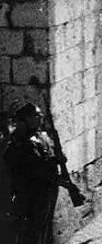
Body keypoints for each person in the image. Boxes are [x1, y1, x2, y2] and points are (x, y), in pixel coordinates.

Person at [4, 102, 62, 244]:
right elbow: (32, 170)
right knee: (31, 234)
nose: (40, 117)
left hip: (46, 194)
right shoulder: (18, 143)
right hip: (29, 197)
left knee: (44, 230)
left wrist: (57, 158)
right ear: (27, 119)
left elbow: (48, 158)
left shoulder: (42, 136)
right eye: (36, 115)